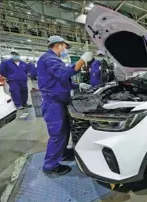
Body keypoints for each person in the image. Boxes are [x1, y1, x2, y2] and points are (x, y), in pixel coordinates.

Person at [38, 35, 92, 175]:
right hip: (53, 103)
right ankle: (50, 167)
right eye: (65, 46)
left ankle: (62, 153)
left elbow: (62, 82)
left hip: (59, 101)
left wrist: (78, 85)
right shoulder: (49, 59)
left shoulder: (55, 59)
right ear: (58, 45)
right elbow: (63, 74)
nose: (66, 49)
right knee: (57, 134)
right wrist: (82, 60)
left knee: (64, 130)